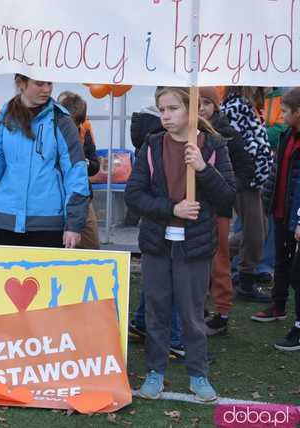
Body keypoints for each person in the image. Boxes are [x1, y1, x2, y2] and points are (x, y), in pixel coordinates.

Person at [125, 87, 235, 402]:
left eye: (173, 108)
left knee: (191, 314)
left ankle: (198, 375)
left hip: (195, 245)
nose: (166, 116)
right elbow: (134, 195)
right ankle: (155, 373)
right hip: (157, 244)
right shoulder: (151, 145)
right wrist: (172, 209)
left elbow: (227, 199)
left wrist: (203, 169)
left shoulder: (212, 146)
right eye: (162, 110)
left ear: (191, 109)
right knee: (157, 310)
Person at [0, 74, 89, 249]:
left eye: (49, 82)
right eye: (39, 83)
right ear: (21, 84)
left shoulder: (61, 120)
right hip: (4, 221)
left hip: (47, 224)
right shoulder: (5, 118)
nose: (47, 89)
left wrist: (74, 224)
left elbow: (76, 174)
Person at [198, 87, 255, 335]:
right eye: (196, 103)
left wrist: (228, 189)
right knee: (195, 261)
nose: (200, 108)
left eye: (206, 103)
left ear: (216, 106)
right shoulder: (188, 131)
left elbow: (245, 168)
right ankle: (197, 309)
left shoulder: (227, 133)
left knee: (219, 259)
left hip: (218, 209)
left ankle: (221, 313)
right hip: (194, 208)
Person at [221, 86, 272, 302]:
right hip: (244, 180)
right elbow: (235, 146)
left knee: (260, 230)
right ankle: (245, 282)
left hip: (253, 179)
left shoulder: (248, 105)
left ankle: (218, 253)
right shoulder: (236, 107)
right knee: (255, 233)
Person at [257, 88, 300, 330]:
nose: (281, 116)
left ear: (298, 112)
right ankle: (278, 306)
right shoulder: (286, 136)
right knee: (282, 262)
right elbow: (276, 173)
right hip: (282, 210)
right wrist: (269, 202)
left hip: (295, 214)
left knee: (295, 270)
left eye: (284, 112)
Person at [57, 91, 100, 249]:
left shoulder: (84, 131)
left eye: (77, 124)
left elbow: (95, 165)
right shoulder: (47, 131)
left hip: (82, 197)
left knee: (91, 246)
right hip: (56, 198)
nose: (73, 129)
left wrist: (86, 164)